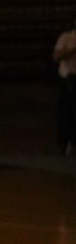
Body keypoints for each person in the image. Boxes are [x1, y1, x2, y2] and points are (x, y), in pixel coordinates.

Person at [55, 18, 76, 156]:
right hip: (70, 78)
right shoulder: (66, 37)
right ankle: (70, 141)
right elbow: (57, 56)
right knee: (70, 111)